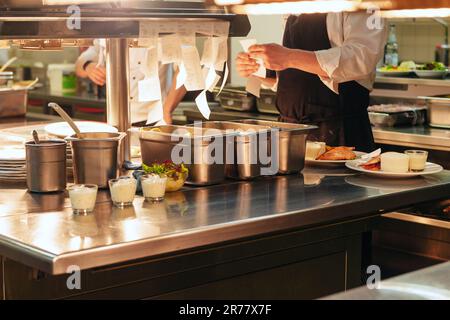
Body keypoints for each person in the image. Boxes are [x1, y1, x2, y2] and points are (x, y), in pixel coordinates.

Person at [236, 12, 387, 152]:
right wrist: (261, 71)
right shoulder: (294, 6)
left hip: (340, 132)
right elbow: (300, 76)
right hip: (290, 132)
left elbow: (361, 58)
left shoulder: (360, 5)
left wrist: (288, 57)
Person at [76, 40, 186, 125]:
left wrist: (167, 110)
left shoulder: (159, 28)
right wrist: (88, 66)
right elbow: (80, 63)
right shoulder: (109, 30)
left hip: (154, 118)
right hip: (115, 118)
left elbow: (186, 69)